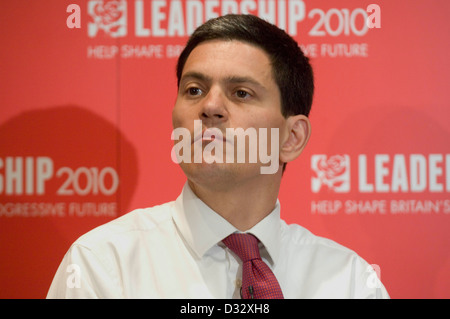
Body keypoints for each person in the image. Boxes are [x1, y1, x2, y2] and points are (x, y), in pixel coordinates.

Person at [47, 14, 389, 299]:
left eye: (241, 93)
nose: (209, 107)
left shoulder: (350, 283)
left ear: (292, 137)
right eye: (193, 90)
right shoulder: (102, 266)